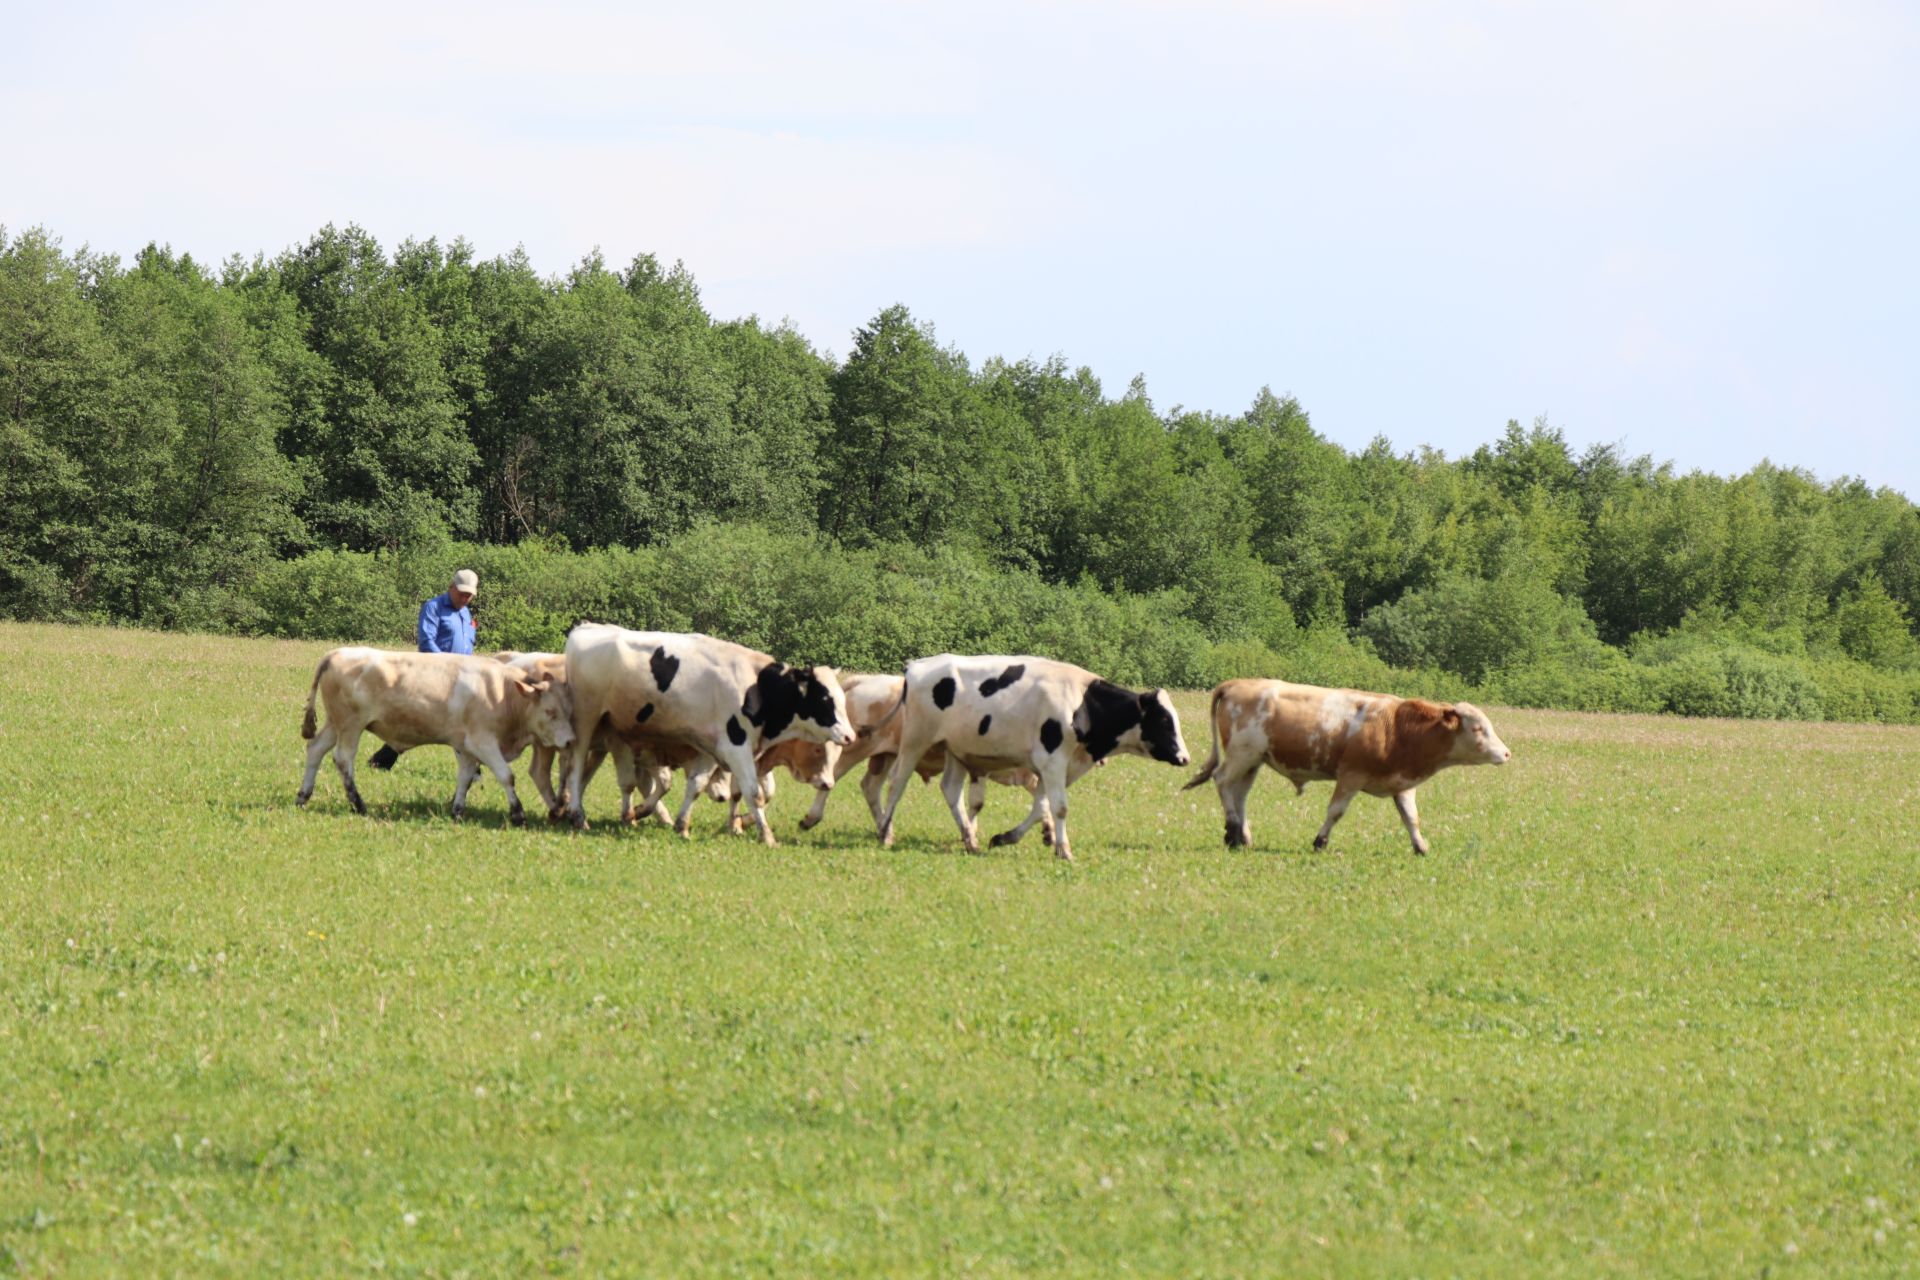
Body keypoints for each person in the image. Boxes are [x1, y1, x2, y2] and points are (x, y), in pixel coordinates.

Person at [369, 570, 480, 770]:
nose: (465, 598)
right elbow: (426, 641)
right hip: (434, 676)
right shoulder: (433, 607)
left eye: (469, 595)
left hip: (461, 679)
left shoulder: (465, 613)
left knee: (457, 723)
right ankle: (381, 760)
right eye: (462, 593)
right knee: (424, 723)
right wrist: (448, 668)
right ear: (451, 587)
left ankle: (472, 768)